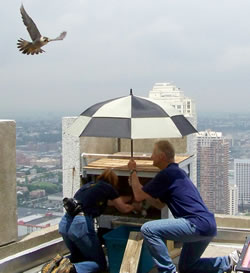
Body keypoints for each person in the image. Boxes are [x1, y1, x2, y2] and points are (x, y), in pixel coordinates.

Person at [128, 140, 240, 273]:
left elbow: (138, 195)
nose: (151, 157)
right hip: (207, 225)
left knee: (148, 229)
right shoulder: (176, 173)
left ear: (162, 156)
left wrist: (133, 171)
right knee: (187, 267)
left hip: (195, 224)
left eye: (153, 153)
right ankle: (229, 261)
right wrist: (142, 190)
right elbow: (159, 204)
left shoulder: (167, 174)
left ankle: (168, 271)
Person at [57, 169, 140, 273]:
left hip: (65, 223)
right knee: (100, 264)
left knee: (78, 257)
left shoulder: (89, 186)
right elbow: (123, 208)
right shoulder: (108, 188)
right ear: (114, 182)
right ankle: (71, 270)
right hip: (80, 225)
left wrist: (130, 198)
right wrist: (134, 206)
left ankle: (57, 264)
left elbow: (111, 202)